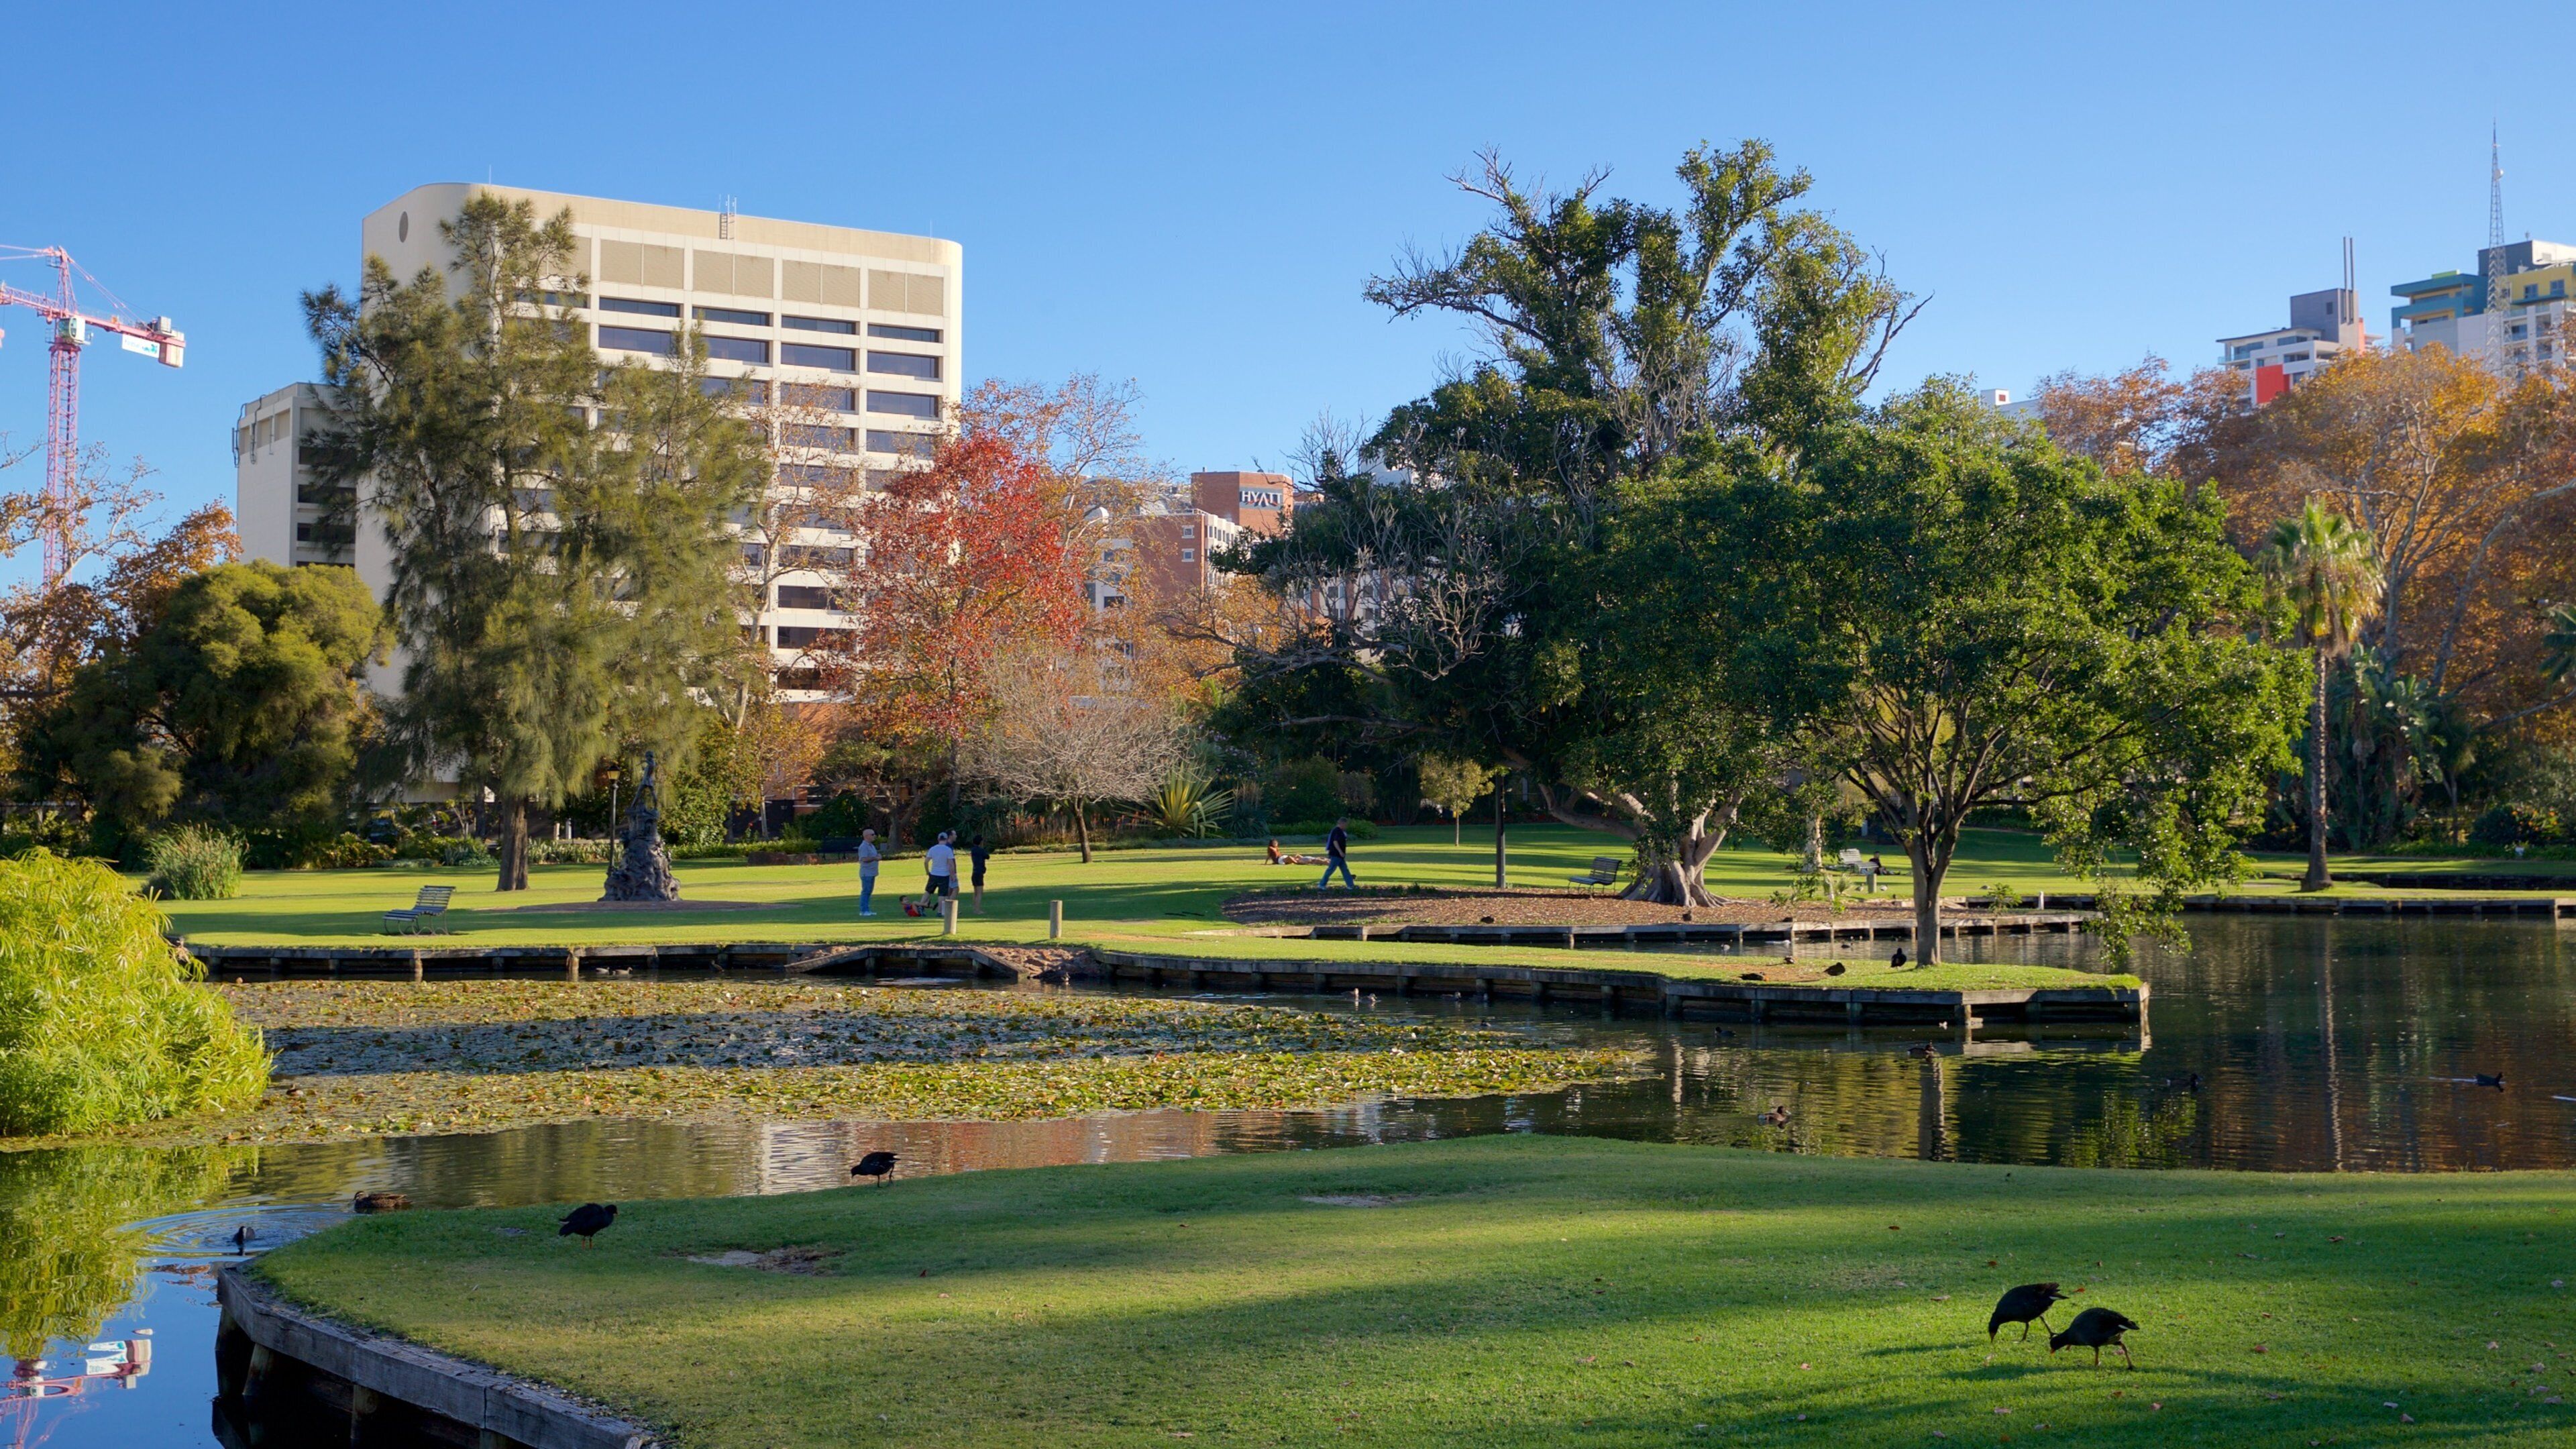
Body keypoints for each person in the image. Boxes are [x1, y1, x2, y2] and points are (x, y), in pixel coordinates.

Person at [1317, 816, 1357, 891]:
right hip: (1336, 854)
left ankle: (1350, 885)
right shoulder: (1337, 831)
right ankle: (1321, 884)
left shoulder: (1339, 831)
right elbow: (1335, 842)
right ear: (1342, 823)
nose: (1346, 826)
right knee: (1331, 869)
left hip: (1339, 855)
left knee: (1345, 870)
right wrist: (1340, 852)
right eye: (1345, 824)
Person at [923, 830, 956, 909]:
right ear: (946, 839)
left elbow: (926, 862)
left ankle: (921, 905)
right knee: (942, 894)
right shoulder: (948, 850)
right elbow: (951, 864)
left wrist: (927, 872)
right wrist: (953, 875)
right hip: (944, 875)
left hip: (934, 873)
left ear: (938, 839)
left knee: (928, 891)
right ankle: (940, 911)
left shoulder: (933, 849)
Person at [856, 828, 882, 917]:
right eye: (872, 834)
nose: (874, 836)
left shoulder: (871, 846)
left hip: (872, 872)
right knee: (866, 892)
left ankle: (867, 910)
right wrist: (875, 858)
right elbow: (863, 859)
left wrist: (878, 856)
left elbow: (873, 856)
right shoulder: (864, 847)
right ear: (866, 836)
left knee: (869, 892)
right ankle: (864, 911)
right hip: (866, 873)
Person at [967, 833, 992, 914]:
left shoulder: (973, 850)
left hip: (974, 872)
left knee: (975, 892)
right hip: (979, 873)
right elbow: (987, 856)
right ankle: (977, 910)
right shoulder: (981, 850)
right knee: (980, 893)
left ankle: (975, 908)